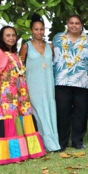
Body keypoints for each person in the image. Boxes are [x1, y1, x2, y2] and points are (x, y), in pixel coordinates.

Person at [0, 26, 46, 165]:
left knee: (19, 120)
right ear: (2, 37)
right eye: (7, 35)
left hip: (19, 94)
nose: (11, 38)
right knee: (7, 120)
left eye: (13, 35)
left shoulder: (13, 53)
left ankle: (22, 152)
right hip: (5, 95)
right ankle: (7, 155)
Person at [52, 15, 88, 150]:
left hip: (83, 81)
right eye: (71, 23)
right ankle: (62, 142)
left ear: (81, 24)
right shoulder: (58, 38)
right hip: (61, 81)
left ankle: (77, 141)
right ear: (67, 24)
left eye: (77, 23)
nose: (74, 25)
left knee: (81, 113)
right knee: (62, 113)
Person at [19, 14, 60, 152]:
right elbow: (19, 68)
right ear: (31, 30)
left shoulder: (50, 46)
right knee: (38, 113)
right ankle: (46, 144)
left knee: (49, 110)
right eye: (36, 29)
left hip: (48, 85)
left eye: (42, 29)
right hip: (33, 85)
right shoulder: (26, 46)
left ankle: (53, 141)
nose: (39, 32)